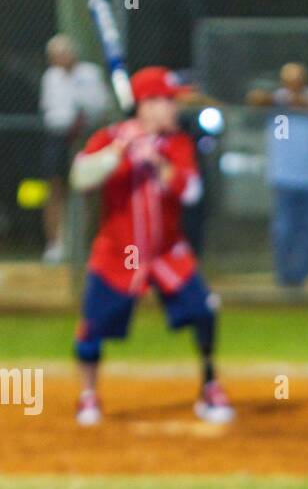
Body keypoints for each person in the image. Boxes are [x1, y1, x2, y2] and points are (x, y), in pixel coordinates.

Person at [69, 66, 234, 427]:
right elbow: (80, 178)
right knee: (91, 330)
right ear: (145, 104)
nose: (174, 109)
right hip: (118, 253)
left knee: (204, 312)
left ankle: (209, 385)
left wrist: (157, 163)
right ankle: (88, 395)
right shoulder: (109, 138)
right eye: (167, 102)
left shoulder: (177, 145)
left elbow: (191, 192)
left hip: (166, 252)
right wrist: (119, 150)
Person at [247, 63, 308, 287]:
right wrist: (281, 100)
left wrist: (293, 102)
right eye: (289, 79)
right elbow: (255, 98)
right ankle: (284, 276)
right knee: (284, 229)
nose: (294, 83)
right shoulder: (276, 99)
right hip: (284, 176)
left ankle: (300, 276)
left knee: (307, 230)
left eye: (297, 78)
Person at [38, 34, 110, 262]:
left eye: (61, 54)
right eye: (53, 56)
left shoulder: (90, 74)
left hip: (85, 136)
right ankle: (54, 245)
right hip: (58, 137)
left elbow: (100, 106)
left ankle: (85, 244)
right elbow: (51, 111)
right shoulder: (50, 77)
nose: (58, 60)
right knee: (55, 189)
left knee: (87, 190)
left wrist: (79, 105)